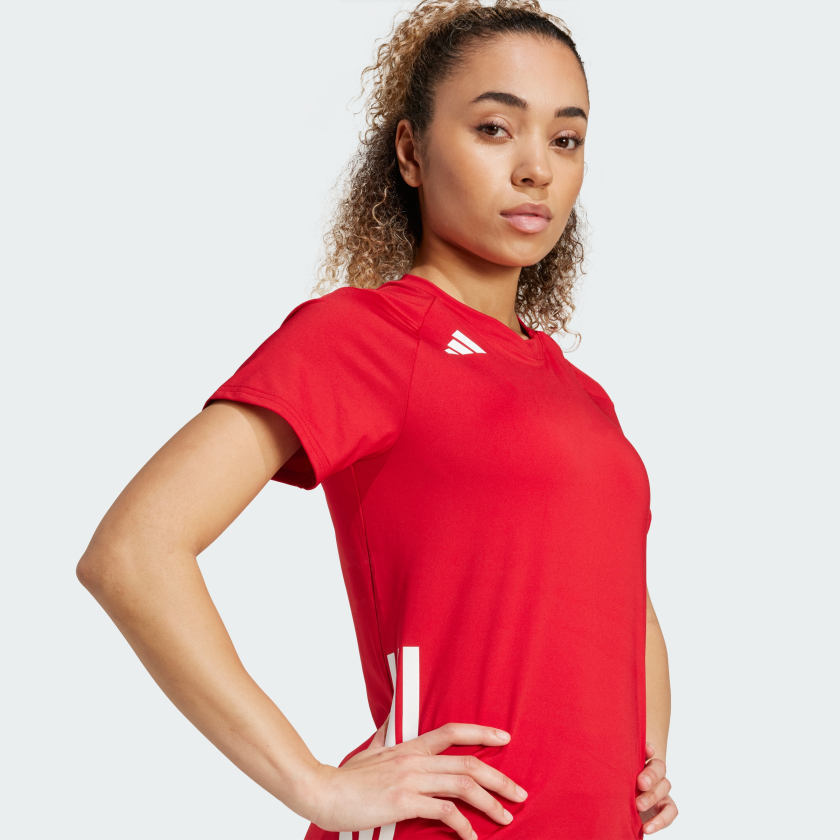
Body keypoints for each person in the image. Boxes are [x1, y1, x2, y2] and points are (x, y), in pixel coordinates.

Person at [76, 1, 677, 838]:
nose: (537, 168)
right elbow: (133, 552)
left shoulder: (582, 395)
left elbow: (620, 593)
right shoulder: (367, 337)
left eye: (566, 138)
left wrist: (643, 758)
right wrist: (315, 787)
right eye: (495, 129)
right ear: (411, 152)